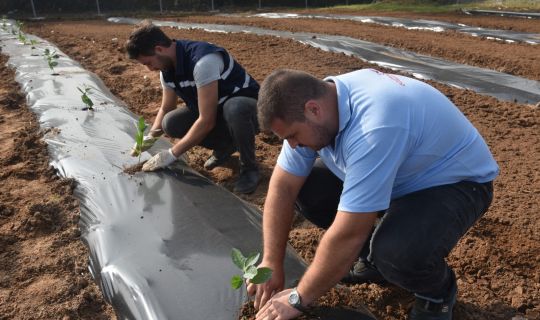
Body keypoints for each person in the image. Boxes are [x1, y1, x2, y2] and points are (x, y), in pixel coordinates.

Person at [249, 69, 499, 320]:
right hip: (399, 174)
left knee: (396, 252)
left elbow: (350, 232)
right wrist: (271, 261)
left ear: (314, 109)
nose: (292, 145)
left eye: (292, 136)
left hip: (454, 182)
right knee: (308, 189)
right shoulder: (318, 109)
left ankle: (437, 293)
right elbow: (283, 187)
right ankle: (374, 264)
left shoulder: (375, 125)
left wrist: (298, 298)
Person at [125, 22, 261, 194]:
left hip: (250, 112)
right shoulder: (166, 69)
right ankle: (225, 146)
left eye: (148, 63)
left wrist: (172, 154)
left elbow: (206, 120)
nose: (150, 69)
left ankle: (250, 169)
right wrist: (151, 136)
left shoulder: (202, 62)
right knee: (171, 123)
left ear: (159, 49)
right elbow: (167, 107)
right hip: (217, 111)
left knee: (235, 108)